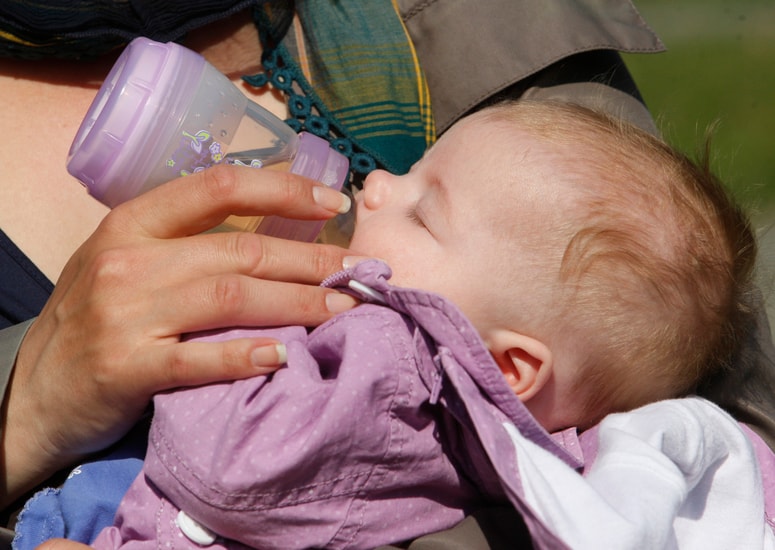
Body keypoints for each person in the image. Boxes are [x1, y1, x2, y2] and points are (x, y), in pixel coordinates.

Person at [0, 1, 773, 549]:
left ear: (508, 369)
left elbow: (225, 461)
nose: (375, 184)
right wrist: (25, 412)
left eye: (423, 210)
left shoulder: (392, 365)